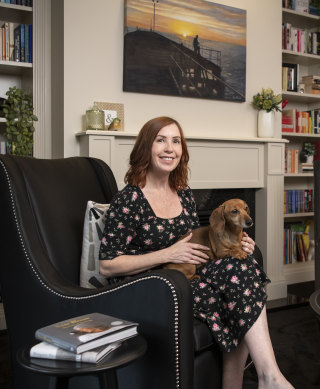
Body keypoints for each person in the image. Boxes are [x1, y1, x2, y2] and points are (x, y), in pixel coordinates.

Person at [99, 116, 293, 389]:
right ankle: (269, 379)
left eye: (176, 141)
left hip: (187, 274)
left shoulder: (183, 193)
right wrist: (168, 254)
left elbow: (202, 243)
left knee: (242, 266)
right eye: (161, 140)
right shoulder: (129, 198)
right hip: (147, 283)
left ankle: (264, 377)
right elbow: (107, 265)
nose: (170, 148)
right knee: (234, 293)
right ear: (146, 147)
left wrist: (239, 243)